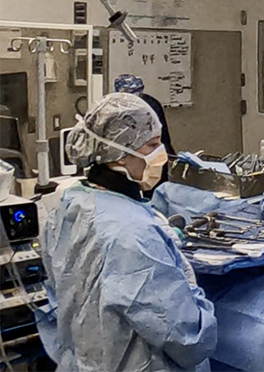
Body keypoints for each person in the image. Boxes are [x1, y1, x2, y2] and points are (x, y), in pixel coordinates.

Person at [37, 93, 217, 371]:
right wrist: (193, 291)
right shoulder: (135, 235)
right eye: (153, 145)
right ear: (118, 152)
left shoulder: (69, 205)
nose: (162, 156)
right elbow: (187, 338)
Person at [115, 73, 174, 166]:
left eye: (137, 91)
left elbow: (162, 136)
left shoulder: (151, 105)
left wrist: (167, 154)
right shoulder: (114, 107)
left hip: (150, 153)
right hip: (124, 155)